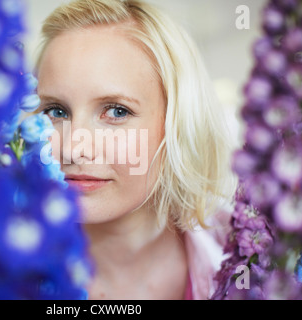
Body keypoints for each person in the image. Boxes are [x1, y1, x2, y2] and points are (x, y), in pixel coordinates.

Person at [33, 0, 238, 300]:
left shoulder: (254, 256)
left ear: (177, 123)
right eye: (57, 111)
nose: (73, 149)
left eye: (116, 111)